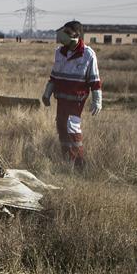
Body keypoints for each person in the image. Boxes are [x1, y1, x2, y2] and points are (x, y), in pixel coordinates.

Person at [42, 20, 102, 169]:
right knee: (61, 126)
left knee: (72, 127)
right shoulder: (60, 52)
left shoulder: (87, 54)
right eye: (64, 32)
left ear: (76, 35)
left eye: (68, 33)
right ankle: (67, 159)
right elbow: (54, 76)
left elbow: (94, 80)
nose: (64, 36)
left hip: (77, 100)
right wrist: (47, 93)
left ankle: (79, 163)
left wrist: (97, 100)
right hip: (61, 97)